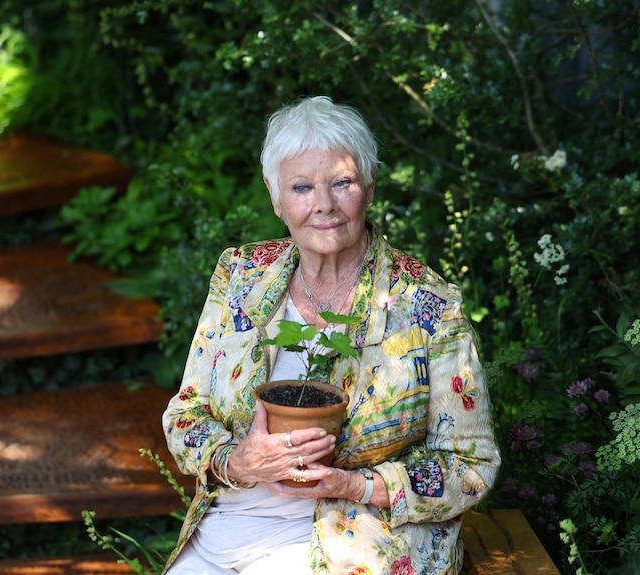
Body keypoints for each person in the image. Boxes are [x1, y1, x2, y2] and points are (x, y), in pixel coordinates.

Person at [161, 95, 500, 575]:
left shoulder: (427, 304)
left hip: (354, 541)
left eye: (341, 183)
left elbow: (472, 465)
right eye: (301, 187)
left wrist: (353, 485)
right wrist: (236, 462)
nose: (323, 205)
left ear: (370, 185)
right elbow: (185, 414)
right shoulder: (241, 277)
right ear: (275, 195)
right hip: (229, 529)